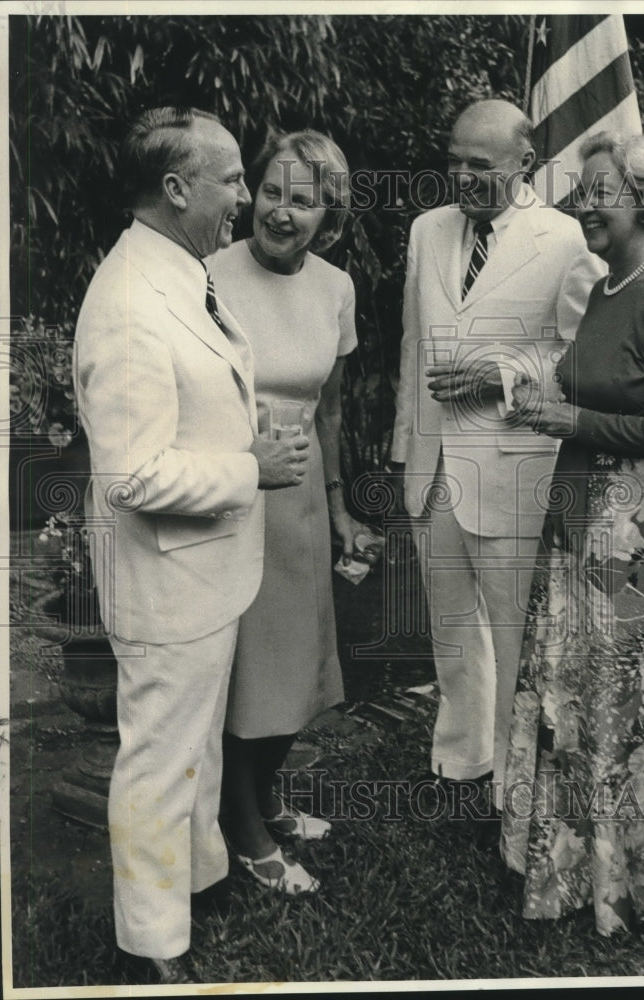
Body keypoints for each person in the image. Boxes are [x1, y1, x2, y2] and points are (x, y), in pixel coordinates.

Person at [74, 107, 310, 984]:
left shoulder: (178, 270)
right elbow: (132, 477)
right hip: (166, 582)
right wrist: (248, 468)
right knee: (160, 760)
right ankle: (152, 945)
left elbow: (195, 393)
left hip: (204, 574)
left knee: (197, 746)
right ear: (176, 190)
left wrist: (237, 428)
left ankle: (201, 877)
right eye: (233, 181)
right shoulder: (131, 302)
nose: (246, 197)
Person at [501, 131, 644, 954]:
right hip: (583, 515)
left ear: (643, 197)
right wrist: (532, 388)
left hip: (639, 530)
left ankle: (635, 878)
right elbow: (585, 378)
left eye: (598, 191)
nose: (581, 205)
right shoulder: (606, 287)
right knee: (582, 689)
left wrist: (575, 420)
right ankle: (573, 865)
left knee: (627, 702)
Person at [389, 99, 605, 816]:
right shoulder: (426, 230)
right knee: (450, 622)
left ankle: (521, 780)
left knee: (514, 628)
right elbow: (411, 347)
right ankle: (460, 758)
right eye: (452, 159)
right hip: (435, 465)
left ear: (525, 165)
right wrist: (403, 453)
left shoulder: (564, 238)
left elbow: (583, 357)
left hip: (514, 461)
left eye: (478, 165)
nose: (460, 176)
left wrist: (501, 374)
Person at [208, 130, 360, 893]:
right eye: (271, 192)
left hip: (298, 495)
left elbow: (329, 412)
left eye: (302, 202)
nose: (279, 212)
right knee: (247, 671)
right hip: (235, 489)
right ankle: (241, 825)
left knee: (298, 661)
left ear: (326, 216)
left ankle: (267, 796)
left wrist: (337, 504)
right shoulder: (206, 277)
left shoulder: (336, 288)